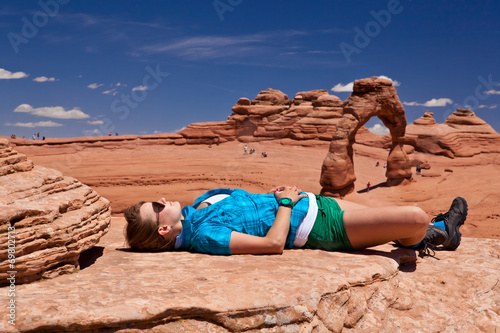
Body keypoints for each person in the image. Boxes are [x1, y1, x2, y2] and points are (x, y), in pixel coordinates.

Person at [124, 185, 468, 257]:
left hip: (320, 203)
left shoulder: (199, 205)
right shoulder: (206, 237)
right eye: (156, 207)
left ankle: (437, 233)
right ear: (163, 229)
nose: (162, 199)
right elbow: (272, 244)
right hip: (320, 228)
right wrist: (286, 202)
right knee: (414, 217)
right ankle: (437, 234)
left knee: (401, 221)